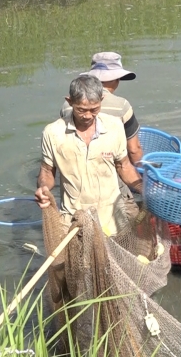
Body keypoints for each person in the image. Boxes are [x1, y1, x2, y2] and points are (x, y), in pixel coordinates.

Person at [35, 75, 143, 236]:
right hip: (73, 221)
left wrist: (144, 189)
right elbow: (47, 171)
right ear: (69, 101)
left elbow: (124, 166)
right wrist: (43, 189)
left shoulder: (114, 127)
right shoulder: (53, 133)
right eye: (81, 110)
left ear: (102, 100)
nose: (87, 116)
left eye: (94, 109)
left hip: (112, 219)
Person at [60, 52, 142, 216]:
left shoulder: (68, 105)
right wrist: (142, 180)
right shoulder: (121, 106)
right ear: (115, 80)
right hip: (110, 177)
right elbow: (133, 150)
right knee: (131, 216)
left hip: (75, 180)